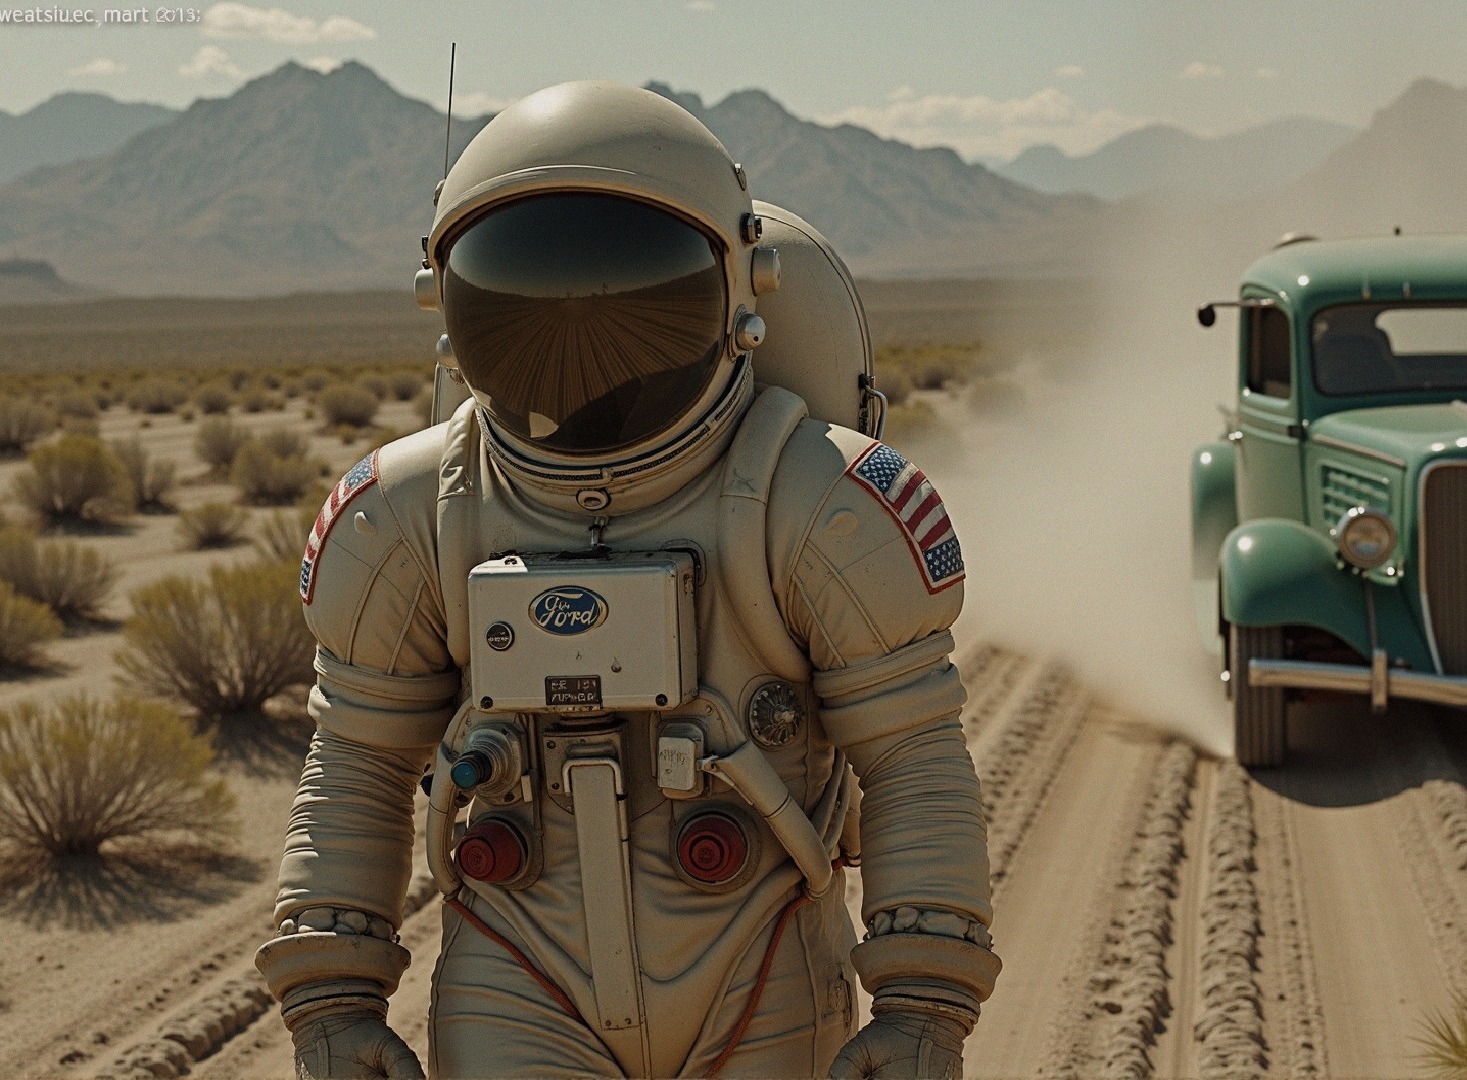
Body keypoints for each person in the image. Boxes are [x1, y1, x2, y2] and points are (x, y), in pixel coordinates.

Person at [255, 80, 998, 1079]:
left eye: (625, 293)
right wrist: (331, 1004)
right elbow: (356, 765)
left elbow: (910, 759)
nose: (574, 337)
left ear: (741, 296)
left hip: (759, 958)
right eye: (526, 300)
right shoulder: (414, 511)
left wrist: (923, 1007)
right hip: (523, 976)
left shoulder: (812, 500)